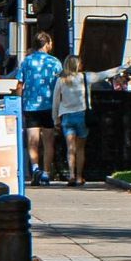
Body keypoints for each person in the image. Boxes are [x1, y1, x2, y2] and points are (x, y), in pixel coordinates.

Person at [20, 30, 64, 185]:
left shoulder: (27, 61)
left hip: (30, 105)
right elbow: (61, 84)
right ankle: (46, 173)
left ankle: (35, 168)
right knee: (48, 141)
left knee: (32, 141)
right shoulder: (55, 63)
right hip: (49, 106)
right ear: (46, 44)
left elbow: (20, 83)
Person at [52, 55, 90, 187]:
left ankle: (71, 175)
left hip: (66, 116)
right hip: (81, 114)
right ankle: (79, 177)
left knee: (70, 148)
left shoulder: (61, 80)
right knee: (80, 148)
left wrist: (55, 118)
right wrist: (121, 68)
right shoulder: (84, 77)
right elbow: (102, 75)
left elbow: (56, 101)